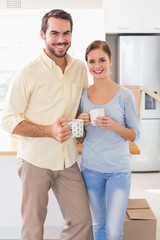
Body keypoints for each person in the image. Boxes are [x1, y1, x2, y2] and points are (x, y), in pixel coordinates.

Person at [1, 9, 93, 240]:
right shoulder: (27, 72)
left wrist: (84, 121)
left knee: (81, 221)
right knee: (33, 227)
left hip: (68, 159)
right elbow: (8, 119)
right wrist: (47, 131)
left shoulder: (80, 69)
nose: (61, 40)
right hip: (35, 160)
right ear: (42, 34)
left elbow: (81, 107)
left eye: (66, 33)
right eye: (54, 33)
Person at [78, 40, 140, 240]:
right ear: (87, 64)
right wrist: (79, 122)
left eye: (102, 60)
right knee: (99, 226)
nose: (97, 66)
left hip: (118, 171)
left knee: (114, 231)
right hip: (91, 169)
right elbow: (80, 137)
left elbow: (135, 134)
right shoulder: (83, 96)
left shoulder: (125, 96)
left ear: (110, 61)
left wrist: (114, 125)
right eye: (92, 61)